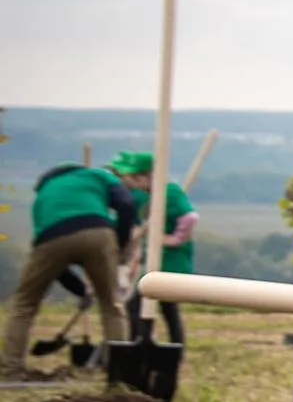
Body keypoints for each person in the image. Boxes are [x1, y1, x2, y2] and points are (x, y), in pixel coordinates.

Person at [1, 159, 137, 377]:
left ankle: (11, 369)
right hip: (99, 233)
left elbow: (56, 268)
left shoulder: (41, 199)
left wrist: (79, 290)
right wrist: (120, 244)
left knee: (23, 305)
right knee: (112, 305)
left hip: (51, 239)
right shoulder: (98, 175)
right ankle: (118, 371)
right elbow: (127, 204)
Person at [113, 151, 197, 346]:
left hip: (171, 260)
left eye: (136, 178)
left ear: (148, 176)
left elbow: (189, 218)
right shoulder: (143, 197)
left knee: (140, 305)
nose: (133, 183)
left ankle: (141, 343)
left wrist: (173, 239)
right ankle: (164, 345)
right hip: (154, 261)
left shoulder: (170, 193)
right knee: (163, 307)